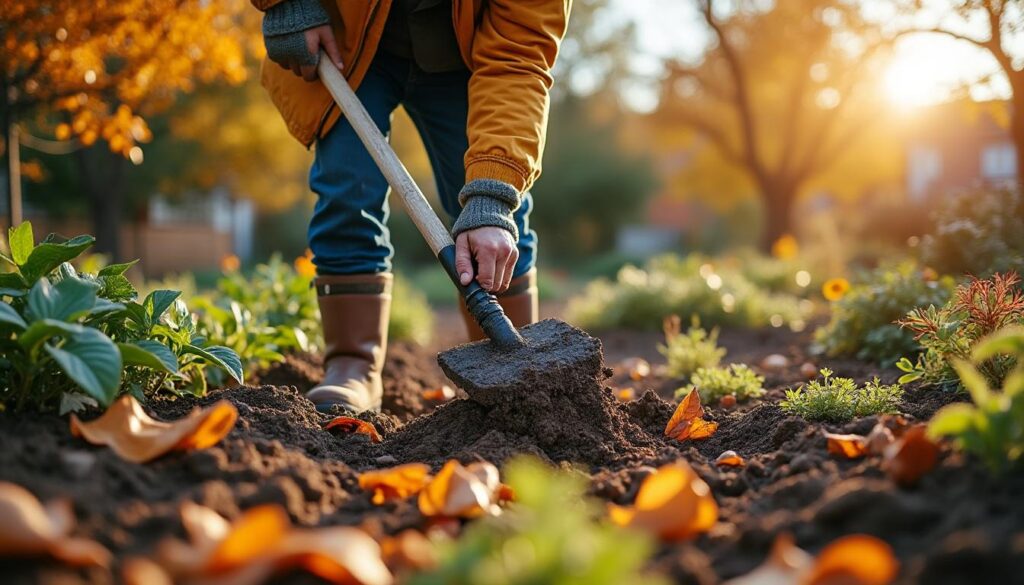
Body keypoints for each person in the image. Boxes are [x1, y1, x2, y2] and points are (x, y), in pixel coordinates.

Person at [251, 0, 571, 413]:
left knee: (497, 215)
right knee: (347, 189)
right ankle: (353, 364)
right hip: (347, 40)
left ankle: (511, 376)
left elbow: (518, 57)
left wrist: (492, 197)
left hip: (467, 55)